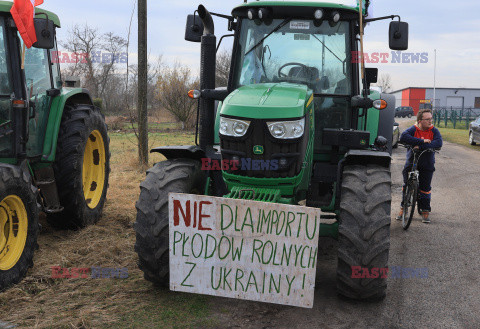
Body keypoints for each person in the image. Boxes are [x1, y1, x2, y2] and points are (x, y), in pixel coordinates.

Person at [397, 109, 443, 223]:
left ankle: (425, 210)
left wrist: (420, 146)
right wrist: (422, 141)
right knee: (406, 184)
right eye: (427, 119)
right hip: (412, 161)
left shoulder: (434, 130)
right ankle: (404, 208)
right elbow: (403, 137)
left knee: (425, 188)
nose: (430, 121)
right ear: (420, 121)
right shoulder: (414, 129)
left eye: (431, 119)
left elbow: (438, 143)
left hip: (427, 163)